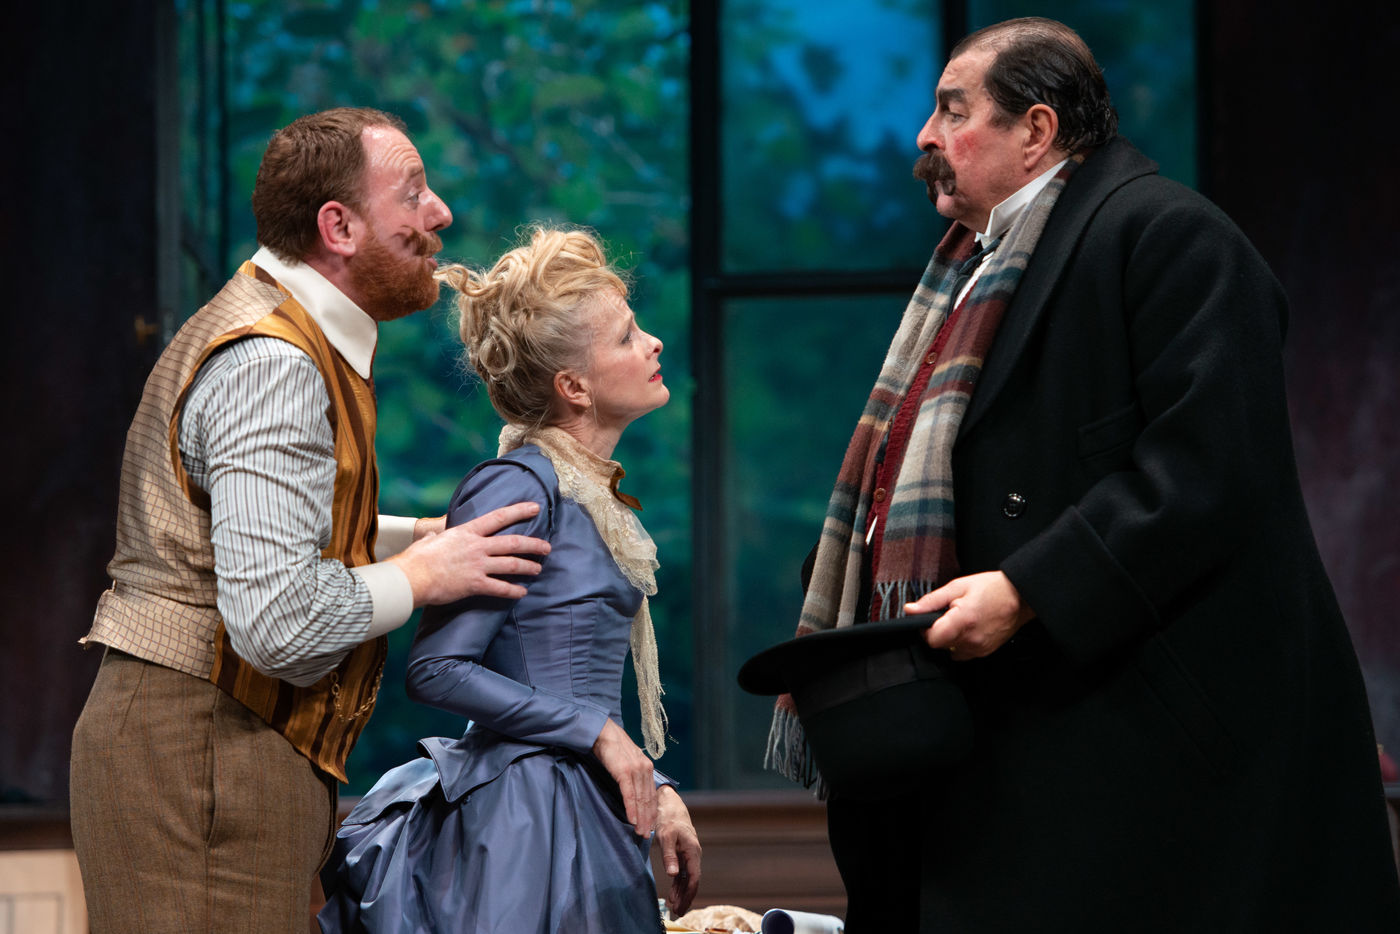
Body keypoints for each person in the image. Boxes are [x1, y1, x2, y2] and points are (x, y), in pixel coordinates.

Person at [764, 18, 1400, 933]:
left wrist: (1029, 587)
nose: (926, 136)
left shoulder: (1170, 235)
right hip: (1005, 736)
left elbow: (1209, 469)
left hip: (1146, 753)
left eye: (953, 110)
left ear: (1037, 130)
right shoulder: (971, 267)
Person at [69, 108, 553, 932]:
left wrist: (414, 537)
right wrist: (422, 576)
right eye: (413, 194)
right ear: (339, 227)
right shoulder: (272, 362)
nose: (440, 213)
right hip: (203, 752)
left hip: (213, 748)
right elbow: (280, 622)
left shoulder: (285, 335)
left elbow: (259, 527)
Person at [317, 226, 702, 933]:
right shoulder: (519, 485)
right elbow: (437, 669)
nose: (653, 343)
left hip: (581, 804)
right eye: (627, 336)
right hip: (526, 825)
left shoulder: (589, 493)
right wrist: (597, 733)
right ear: (573, 386)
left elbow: (585, 686)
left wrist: (658, 785)